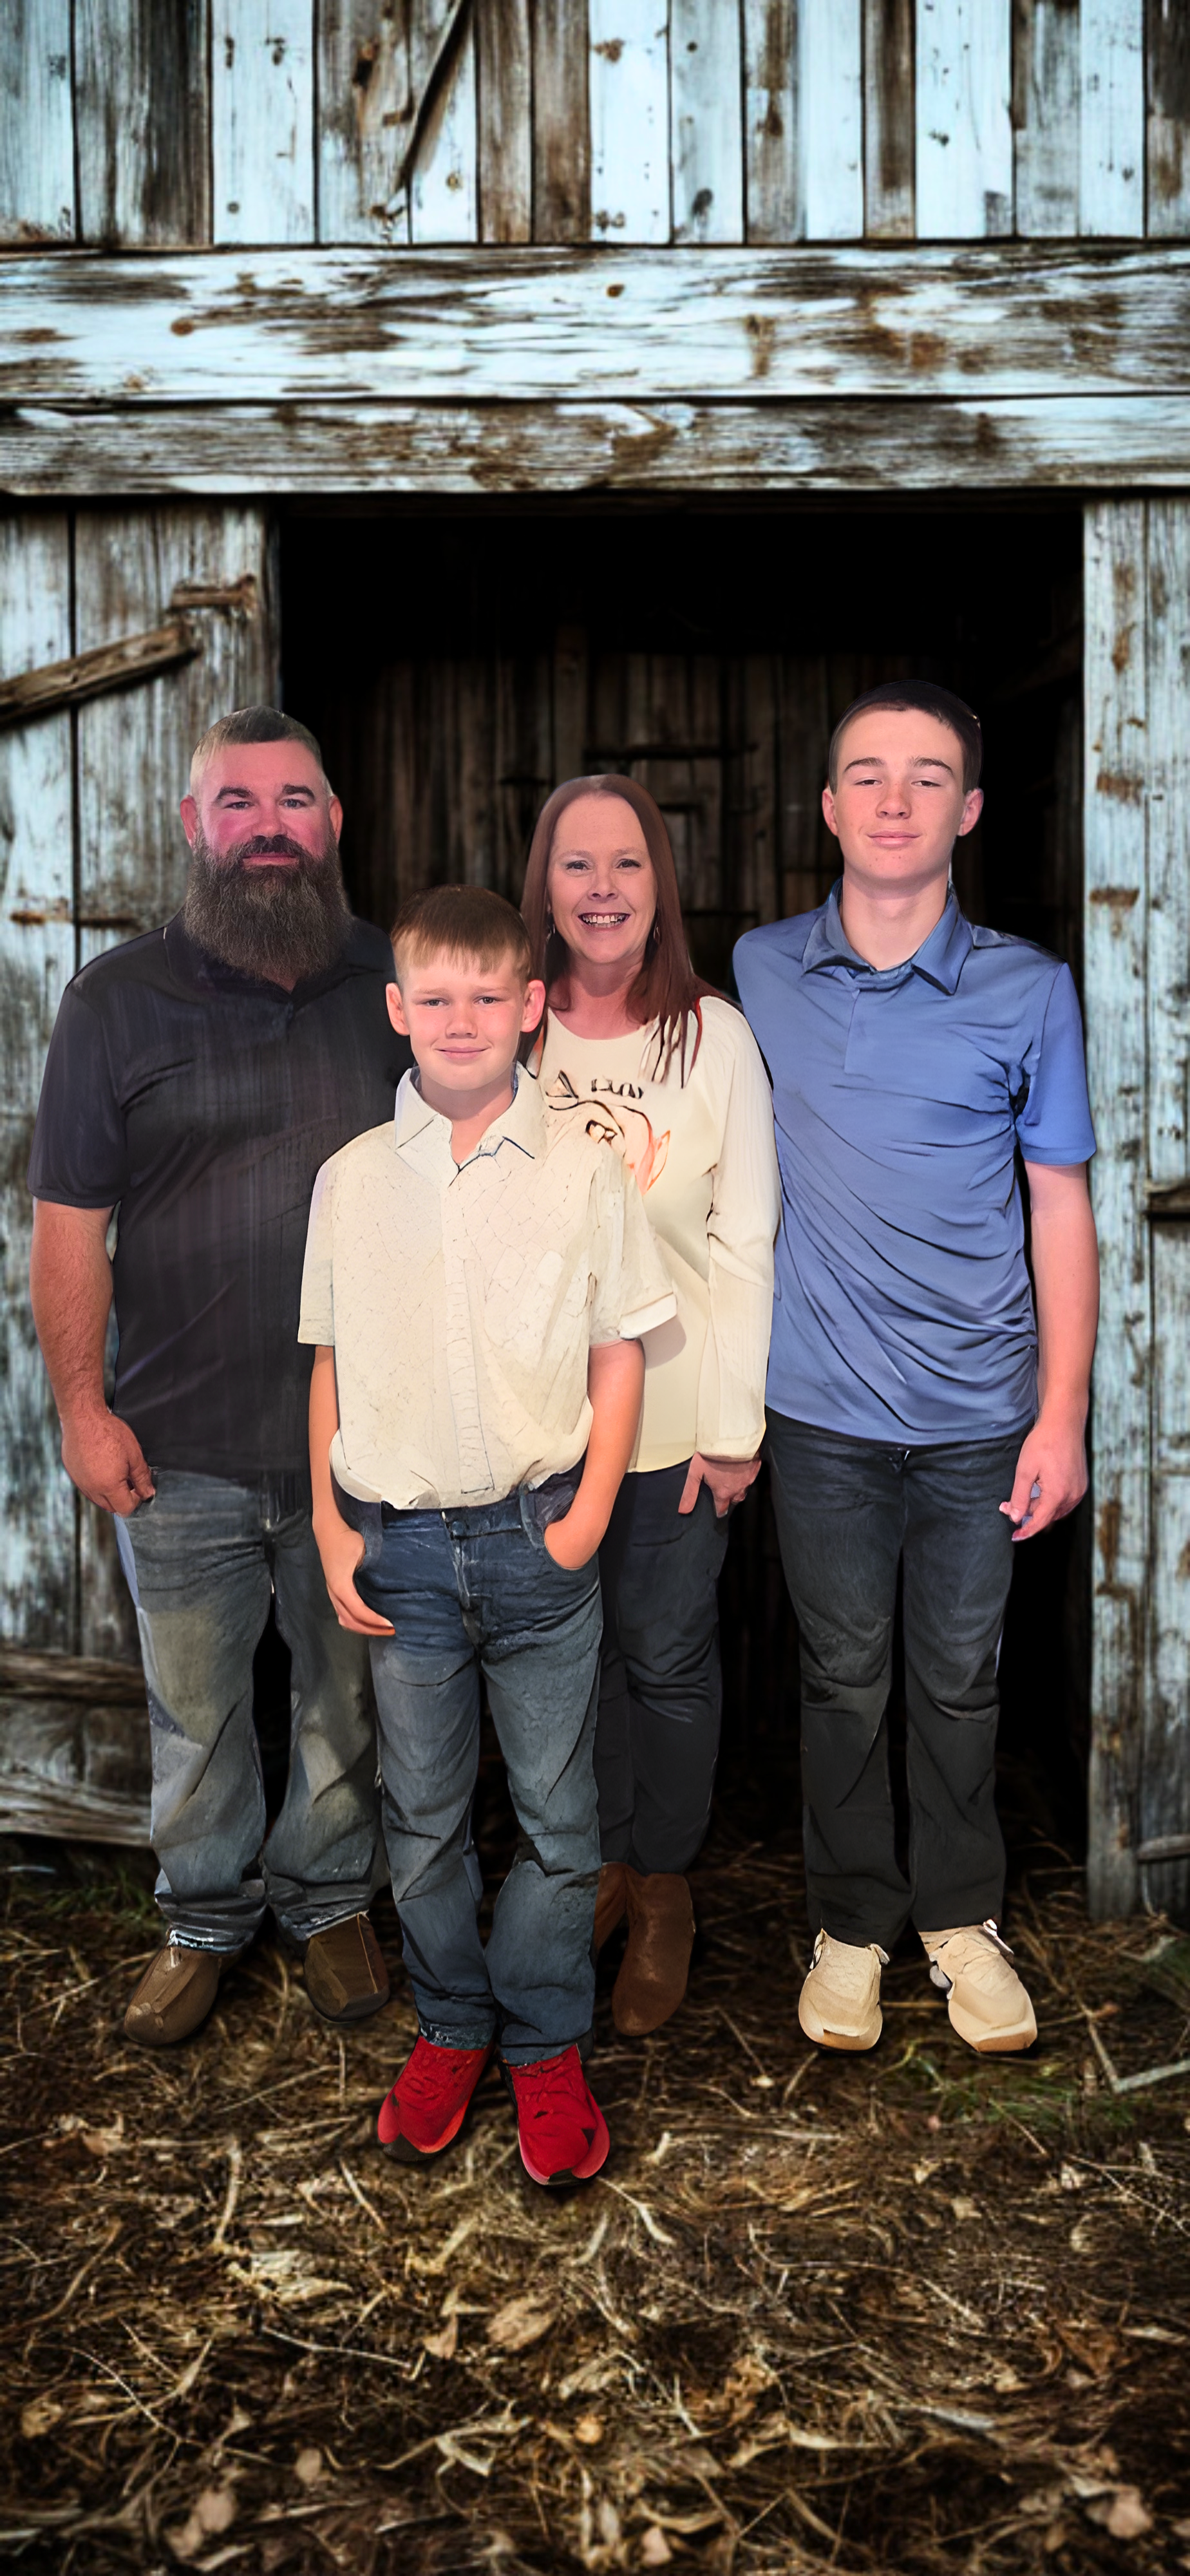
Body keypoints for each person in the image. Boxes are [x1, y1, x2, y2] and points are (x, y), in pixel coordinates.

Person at [28, 706, 411, 2047]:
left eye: (294, 799)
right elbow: (69, 1225)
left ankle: (327, 1901)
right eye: (236, 802)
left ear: (333, 824)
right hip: (175, 1438)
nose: (266, 826)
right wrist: (82, 1408)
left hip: (361, 1442)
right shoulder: (116, 1000)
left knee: (341, 1695)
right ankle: (201, 1918)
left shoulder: (395, 984)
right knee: (194, 1712)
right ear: (193, 825)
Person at [733, 682, 1099, 2058]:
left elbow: (1060, 1204)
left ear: (970, 809)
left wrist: (1059, 1414)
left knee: (955, 1676)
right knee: (843, 1675)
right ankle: (850, 1923)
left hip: (978, 1414)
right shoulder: (763, 969)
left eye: (928, 775)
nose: (895, 798)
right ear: (829, 807)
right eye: (868, 775)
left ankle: (959, 1917)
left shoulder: (1027, 986)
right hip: (819, 1406)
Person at [301, 884, 675, 2186]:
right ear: (399, 1009)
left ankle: (546, 2037)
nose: (462, 1019)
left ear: (528, 1008)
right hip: (398, 1547)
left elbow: (620, 1353)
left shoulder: (580, 1170)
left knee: (562, 1816)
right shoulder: (352, 1178)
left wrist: (583, 1519)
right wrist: (331, 1523)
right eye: (435, 997)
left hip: (537, 1545)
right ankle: (455, 2023)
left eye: (487, 997)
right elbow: (332, 1363)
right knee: (424, 1817)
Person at [521, 777, 779, 2035]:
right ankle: (604, 1861)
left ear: (659, 884)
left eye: (628, 863)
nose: (605, 888)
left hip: (677, 1426)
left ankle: (665, 1881)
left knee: (666, 1658)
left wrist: (737, 1425)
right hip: (541, 1429)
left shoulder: (712, 1037)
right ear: (547, 883)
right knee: (569, 1667)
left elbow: (747, 1241)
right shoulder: (512, 1031)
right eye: (580, 864)